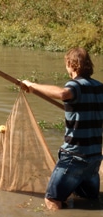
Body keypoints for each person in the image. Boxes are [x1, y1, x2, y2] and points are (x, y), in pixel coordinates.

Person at [21, 47, 103, 210]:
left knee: (52, 200)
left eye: (67, 64)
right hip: (94, 158)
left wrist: (32, 85)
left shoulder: (75, 85)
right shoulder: (100, 87)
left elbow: (64, 94)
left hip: (74, 157)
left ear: (71, 64)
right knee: (89, 200)